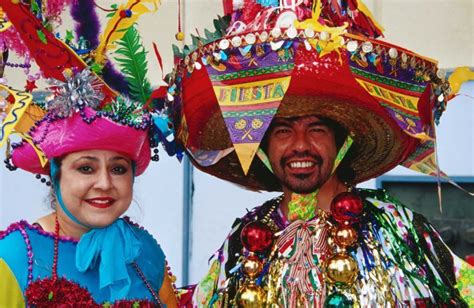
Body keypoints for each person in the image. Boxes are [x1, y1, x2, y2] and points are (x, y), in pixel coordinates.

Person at [166, 0, 474, 306]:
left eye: (317, 130)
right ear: (262, 146)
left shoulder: (398, 226)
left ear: (343, 143)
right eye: (283, 131)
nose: (300, 145)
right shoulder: (246, 238)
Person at [0, 1, 178, 306]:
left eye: (119, 169)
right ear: (55, 173)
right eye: (86, 168)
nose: (105, 183)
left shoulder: (144, 252)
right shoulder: (14, 257)